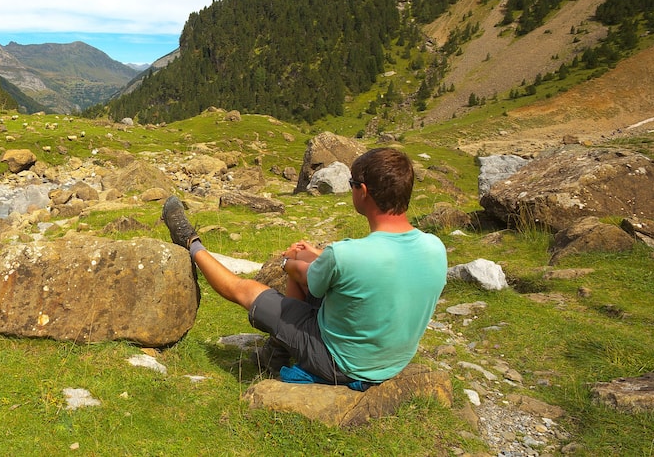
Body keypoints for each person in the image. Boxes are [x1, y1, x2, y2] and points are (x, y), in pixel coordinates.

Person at [161, 147, 447, 388]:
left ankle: (190, 241)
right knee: (307, 273)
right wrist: (317, 254)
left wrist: (289, 262)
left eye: (351, 184)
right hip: (390, 363)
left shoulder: (346, 254)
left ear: (363, 191)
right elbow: (378, 266)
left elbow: (304, 276)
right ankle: (276, 353)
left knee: (246, 290)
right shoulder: (435, 248)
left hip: (341, 363)